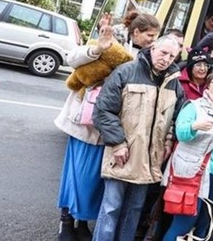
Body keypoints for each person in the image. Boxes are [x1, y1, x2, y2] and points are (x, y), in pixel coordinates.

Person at [54, 12, 160, 240]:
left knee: (93, 181)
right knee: (76, 175)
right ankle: (66, 221)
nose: (153, 40)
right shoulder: (110, 42)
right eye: (150, 35)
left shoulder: (145, 57)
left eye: (156, 36)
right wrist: (98, 48)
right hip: (86, 123)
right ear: (136, 32)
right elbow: (72, 58)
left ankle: (81, 222)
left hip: (110, 129)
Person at [92, 37, 186, 241]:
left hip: (150, 159)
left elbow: (176, 118)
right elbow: (103, 111)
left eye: (171, 56)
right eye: (163, 52)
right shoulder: (126, 71)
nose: (166, 59)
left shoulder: (174, 83)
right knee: (111, 208)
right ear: (153, 48)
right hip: (122, 153)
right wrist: (117, 143)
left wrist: (169, 141)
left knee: (134, 210)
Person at [162, 70, 213, 240]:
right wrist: (194, 126)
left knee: (203, 228)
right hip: (194, 175)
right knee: (182, 225)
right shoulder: (194, 106)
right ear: (208, 84)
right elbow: (180, 133)